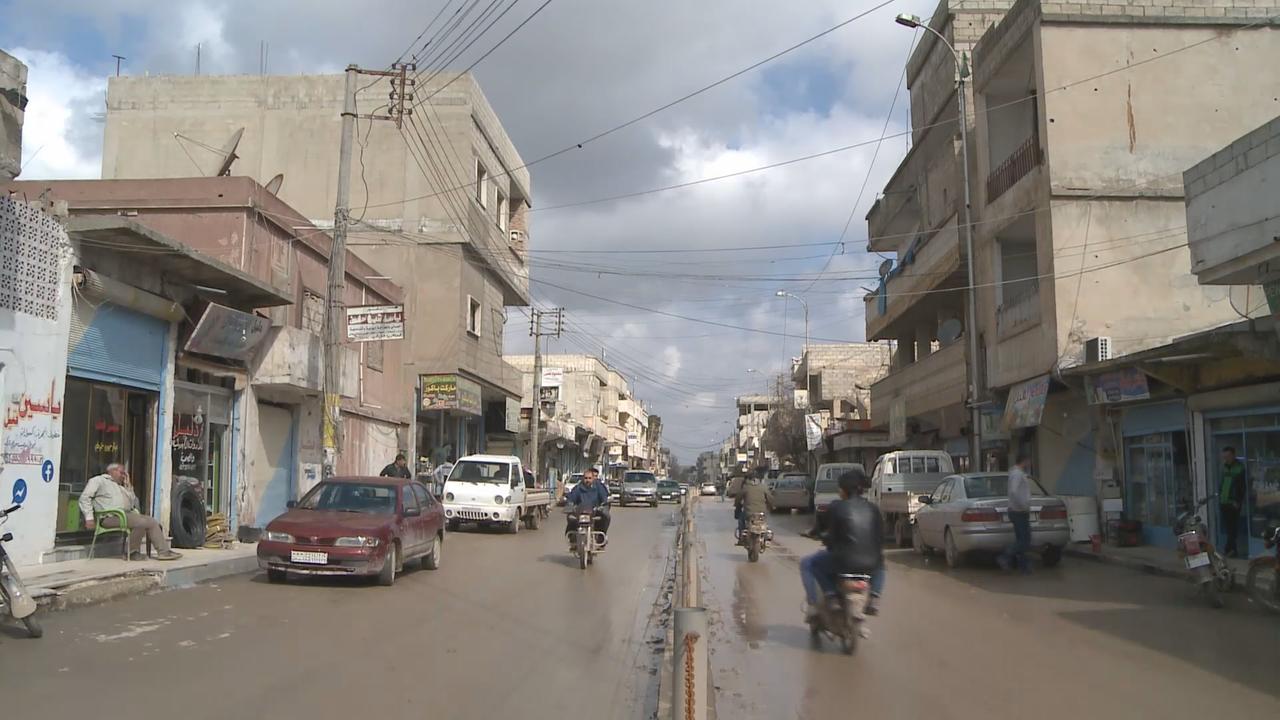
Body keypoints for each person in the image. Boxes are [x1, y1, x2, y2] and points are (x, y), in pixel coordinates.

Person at [799, 468, 884, 620]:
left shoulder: (836, 507)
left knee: (808, 564)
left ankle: (826, 598)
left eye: (839, 488)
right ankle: (875, 597)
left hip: (842, 563)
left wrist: (814, 533)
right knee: (882, 565)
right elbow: (880, 537)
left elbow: (823, 529)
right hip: (871, 565)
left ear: (844, 490)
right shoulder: (874, 509)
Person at [80, 463, 182, 561]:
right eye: (122, 473)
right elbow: (84, 498)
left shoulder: (121, 486)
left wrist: (128, 487)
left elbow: (134, 502)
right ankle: (132, 552)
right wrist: (89, 518)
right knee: (141, 522)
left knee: (151, 521)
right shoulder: (99, 481)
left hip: (125, 515)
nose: (124, 476)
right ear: (112, 471)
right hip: (109, 517)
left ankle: (164, 552)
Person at [998, 453, 1033, 574]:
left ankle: (1024, 566)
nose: (1030, 463)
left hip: (1017, 510)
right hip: (1018, 511)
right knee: (1025, 540)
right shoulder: (1017, 474)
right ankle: (1005, 556)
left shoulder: (1017, 473)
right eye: (1028, 460)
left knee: (1021, 539)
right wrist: (1023, 505)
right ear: (1024, 460)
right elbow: (1014, 491)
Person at [565, 466, 611, 544]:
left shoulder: (598, 487)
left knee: (606, 516)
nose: (587, 480)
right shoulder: (579, 487)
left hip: (595, 511)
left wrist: (604, 504)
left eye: (589, 478)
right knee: (570, 517)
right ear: (583, 478)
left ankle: (601, 537)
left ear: (593, 479)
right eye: (586, 478)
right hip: (581, 512)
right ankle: (572, 537)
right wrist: (570, 503)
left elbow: (604, 497)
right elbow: (572, 496)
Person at [1219, 446, 1246, 557]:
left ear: (1233, 455)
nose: (1226, 459)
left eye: (1228, 456)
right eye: (1224, 457)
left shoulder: (1239, 468)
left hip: (1233, 503)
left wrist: (1237, 501)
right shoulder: (1224, 467)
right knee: (1229, 528)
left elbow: (1242, 487)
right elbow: (1222, 484)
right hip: (1224, 502)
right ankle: (1232, 550)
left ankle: (1228, 550)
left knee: (1232, 528)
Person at [736, 468, 773, 539]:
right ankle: (766, 537)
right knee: (764, 521)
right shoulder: (763, 487)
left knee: (741, 520)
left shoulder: (745, 487)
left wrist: (737, 505)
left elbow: (738, 498)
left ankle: (741, 537)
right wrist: (771, 505)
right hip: (761, 512)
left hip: (749, 513)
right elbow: (770, 498)